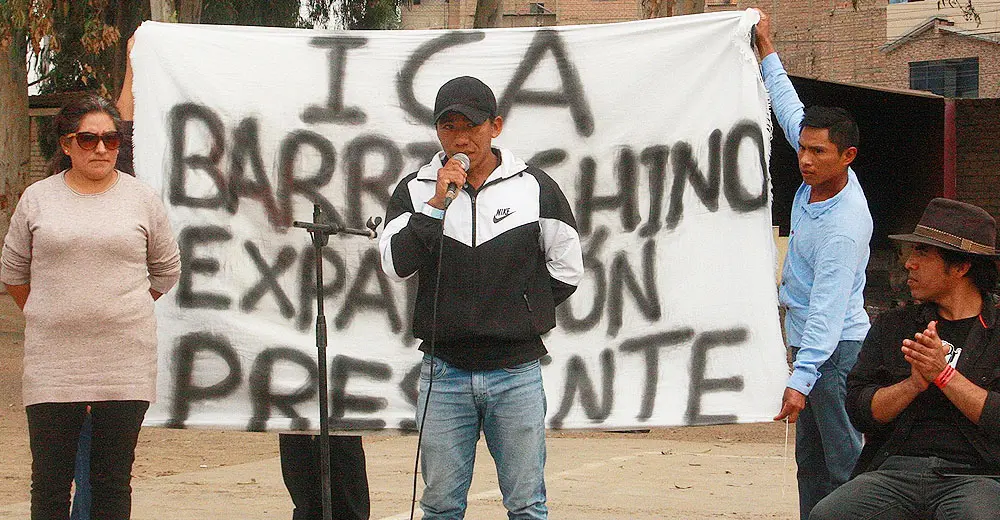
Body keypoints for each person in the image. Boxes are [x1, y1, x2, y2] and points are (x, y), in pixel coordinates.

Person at [379, 76, 584, 519]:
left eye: (470, 126)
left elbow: (567, 268)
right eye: (448, 127)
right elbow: (396, 264)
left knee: (527, 505)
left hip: (516, 373)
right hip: (443, 373)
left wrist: (520, 310)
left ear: (496, 126)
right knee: (439, 506)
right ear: (437, 133)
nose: (460, 138)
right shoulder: (415, 190)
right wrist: (435, 205)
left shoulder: (535, 187)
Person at [1, 93, 182, 519]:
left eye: (111, 139)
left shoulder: (142, 198)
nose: (101, 149)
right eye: (88, 140)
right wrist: (50, 311)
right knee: (49, 483)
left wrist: (125, 306)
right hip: (54, 364)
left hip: (123, 362)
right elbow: (13, 272)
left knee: (111, 481)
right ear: (65, 145)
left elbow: (166, 270)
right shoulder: (37, 198)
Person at [810, 197, 1000, 519]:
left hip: (977, 475)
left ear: (960, 266)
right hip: (895, 470)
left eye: (922, 253)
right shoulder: (893, 325)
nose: (909, 263)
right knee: (829, 514)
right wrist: (912, 384)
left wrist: (945, 376)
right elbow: (859, 410)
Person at [754, 10, 872, 519]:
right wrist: (766, 53)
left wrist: (800, 381)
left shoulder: (843, 225)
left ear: (846, 156)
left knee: (847, 465)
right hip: (809, 342)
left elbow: (826, 310)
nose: (804, 159)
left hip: (836, 351)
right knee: (811, 464)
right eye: (802, 148)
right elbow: (787, 107)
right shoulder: (816, 181)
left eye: (817, 152)